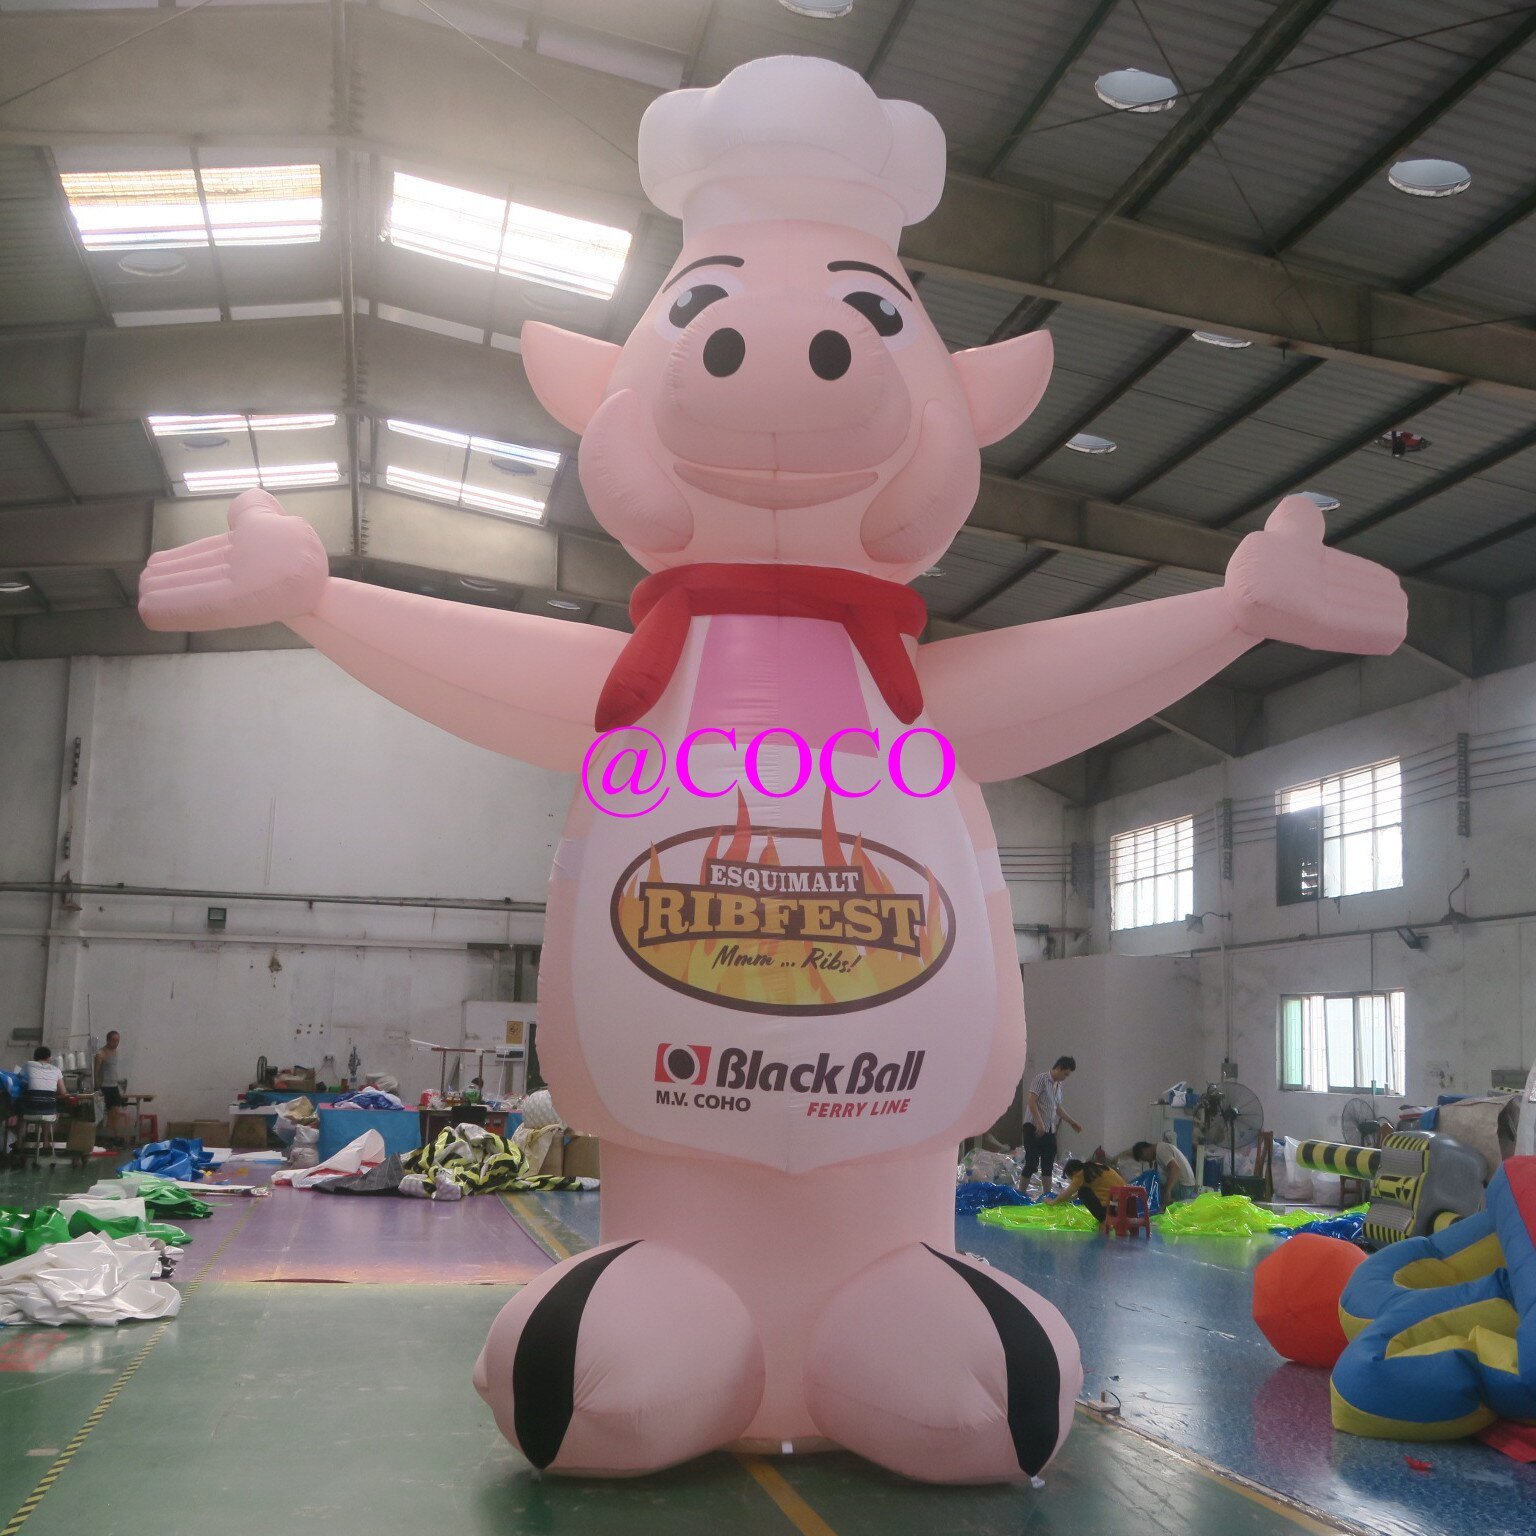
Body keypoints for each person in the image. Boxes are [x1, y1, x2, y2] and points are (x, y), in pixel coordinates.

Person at [1020, 1055, 1081, 1194]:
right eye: (1065, 1074)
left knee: (1048, 1164)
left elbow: (1057, 1108)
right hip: (1033, 1127)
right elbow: (1031, 1101)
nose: (1065, 1078)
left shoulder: (1059, 1085)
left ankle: (1047, 1196)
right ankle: (1020, 1194)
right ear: (1058, 1068)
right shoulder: (1041, 1079)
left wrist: (1072, 1122)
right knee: (1031, 1163)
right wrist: (1039, 1123)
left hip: (1049, 1129)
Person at [1047, 1158, 1122, 1231]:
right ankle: (1108, 1219)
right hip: (1124, 1201)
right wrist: (1070, 1199)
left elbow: (1067, 1193)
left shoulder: (1080, 1174)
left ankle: (1104, 1220)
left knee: (1082, 1192)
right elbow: (1075, 1194)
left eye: (1071, 1178)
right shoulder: (1095, 1167)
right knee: (1083, 1190)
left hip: (1112, 1206)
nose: (1072, 1180)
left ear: (1073, 1172)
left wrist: (1053, 1202)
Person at [1130, 1138, 1198, 1205]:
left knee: (1153, 1176)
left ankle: (1139, 1197)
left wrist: (1168, 1191)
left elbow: (1175, 1169)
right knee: (1155, 1175)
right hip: (1187, 1186)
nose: (1147, 1161)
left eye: (1144, 1159)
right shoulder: (1161, 1148)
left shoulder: (1161, 1150)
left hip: (1184, 1188)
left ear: (1144, 1151)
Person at [95, 1030, 128, 1145]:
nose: (116, 1043)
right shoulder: (101, 1053)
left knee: (115, 1112)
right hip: (104, 1087)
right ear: (108, 1040)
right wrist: (97, 1087)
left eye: (118, 1040)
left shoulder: (116, 1053)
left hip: (114, 1086)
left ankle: (114, 1137)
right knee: (100, 1114)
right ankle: (99, 1137)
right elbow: (96, 1072)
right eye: (114, 1040)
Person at [21, 1045, 63, 1119]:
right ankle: (48, 1127)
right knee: (55, 1112)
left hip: (31, 1110)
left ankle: (21, 1126)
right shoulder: (56, 1070)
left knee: (19, 1108)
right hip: (49, 1111)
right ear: (49, 1058)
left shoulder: (28, 1065)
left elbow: (19, 1080)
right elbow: (63, 1092)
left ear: (34, 1057)